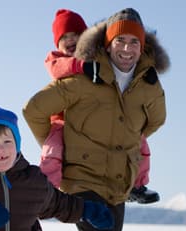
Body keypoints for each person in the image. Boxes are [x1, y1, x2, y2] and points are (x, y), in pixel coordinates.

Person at [23, 7, 169, 231]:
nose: (127, 49)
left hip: (118, 180)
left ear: (143, 45)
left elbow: (155, 121)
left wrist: (127, 142)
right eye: (120, 41)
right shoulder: (84, 77)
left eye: (134, 42)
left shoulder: (148, 83)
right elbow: (34, 109)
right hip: (81, 178)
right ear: (107, 42)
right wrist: (58, 138)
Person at [42, 9, 160, 204]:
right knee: (52, 150)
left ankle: (137, 185)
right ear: (57, 43)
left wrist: (146, 72)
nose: (70, 40)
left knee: (138, 142)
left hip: (96, 118)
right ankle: (47, 190)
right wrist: (80, 66)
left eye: (75, 35)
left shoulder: (100, 58)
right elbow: (57, 69)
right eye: (64, 37)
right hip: (63, 118)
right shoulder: (55, 59)